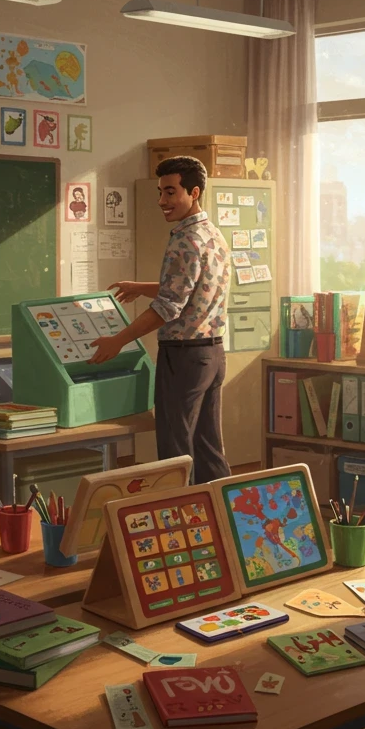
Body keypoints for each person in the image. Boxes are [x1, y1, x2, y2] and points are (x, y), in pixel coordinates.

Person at [88, 156, 231, 484]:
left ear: (193, 192)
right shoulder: (212, 234)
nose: (162, 202)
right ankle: (225, 522)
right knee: (208, 447)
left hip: (183, 356)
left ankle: (180, 524)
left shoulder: (185, 240)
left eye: (170, 192)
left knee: (175, 449)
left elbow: (169, 306)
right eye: (160, 193)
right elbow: (197, 289)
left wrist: (117, 341)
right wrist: (142, 287)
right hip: (213, 355)